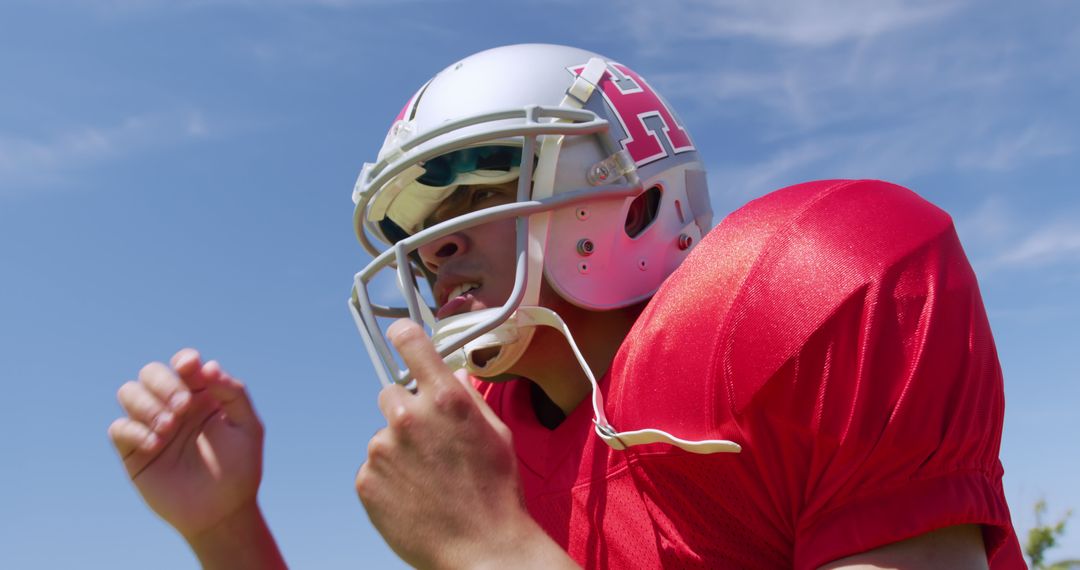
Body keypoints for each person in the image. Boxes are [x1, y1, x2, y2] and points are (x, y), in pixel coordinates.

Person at [109, 43, 1025, 569]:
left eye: (470, 194)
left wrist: (502, 553)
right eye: (416, 229)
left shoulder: (801, 292)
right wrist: (226, 526)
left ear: (619, 191)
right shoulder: (493, 440)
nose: (433, 251)